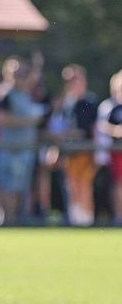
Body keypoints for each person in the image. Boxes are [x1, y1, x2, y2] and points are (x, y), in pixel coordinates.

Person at [0, 54, 45, 225]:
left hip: (25, 149)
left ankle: (15, 220)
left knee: (20, 188)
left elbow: (32, 80)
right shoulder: (4, 93)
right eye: (16, 72)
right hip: (9, 148)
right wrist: (29, 121)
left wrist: (36, 65)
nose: (20, 75)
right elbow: (1, 119)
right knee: (6, 187)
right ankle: (6, 219)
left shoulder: (26, 94)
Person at [46, 64, 98, 226]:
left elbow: (89, 130)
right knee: (71, 187)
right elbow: (57, 128)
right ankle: (75, 219)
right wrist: (55, 148)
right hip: (68, 153)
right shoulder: (66, 104)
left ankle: (86, 220)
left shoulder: (89, 102)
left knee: (83, 186)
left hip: (84, 151)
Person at [95, 69, 122, 226]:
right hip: (117, 151)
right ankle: (118, 216)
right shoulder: (109, 106)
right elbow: (102, 126)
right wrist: (115, 131)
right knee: (118, 184)